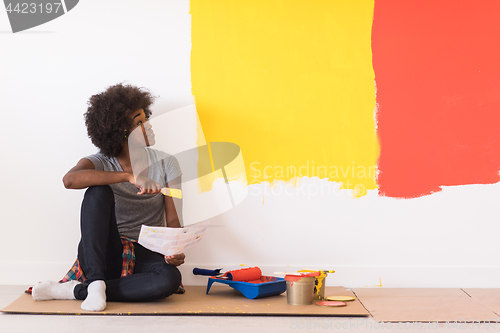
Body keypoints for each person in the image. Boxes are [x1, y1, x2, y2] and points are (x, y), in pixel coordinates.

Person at [32, 83, 185, 311]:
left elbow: (173, 219)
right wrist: (128, 176)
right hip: (106, 253)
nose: (149, 126)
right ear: (121, 131)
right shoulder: (101, 162)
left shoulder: (167, 163)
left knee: (169, 279)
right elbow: (69, 180)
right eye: (139, 122)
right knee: (96, 190)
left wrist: (175, 249)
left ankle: (78, 290)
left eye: (146, 118)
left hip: (147, 251)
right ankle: (95, 281)